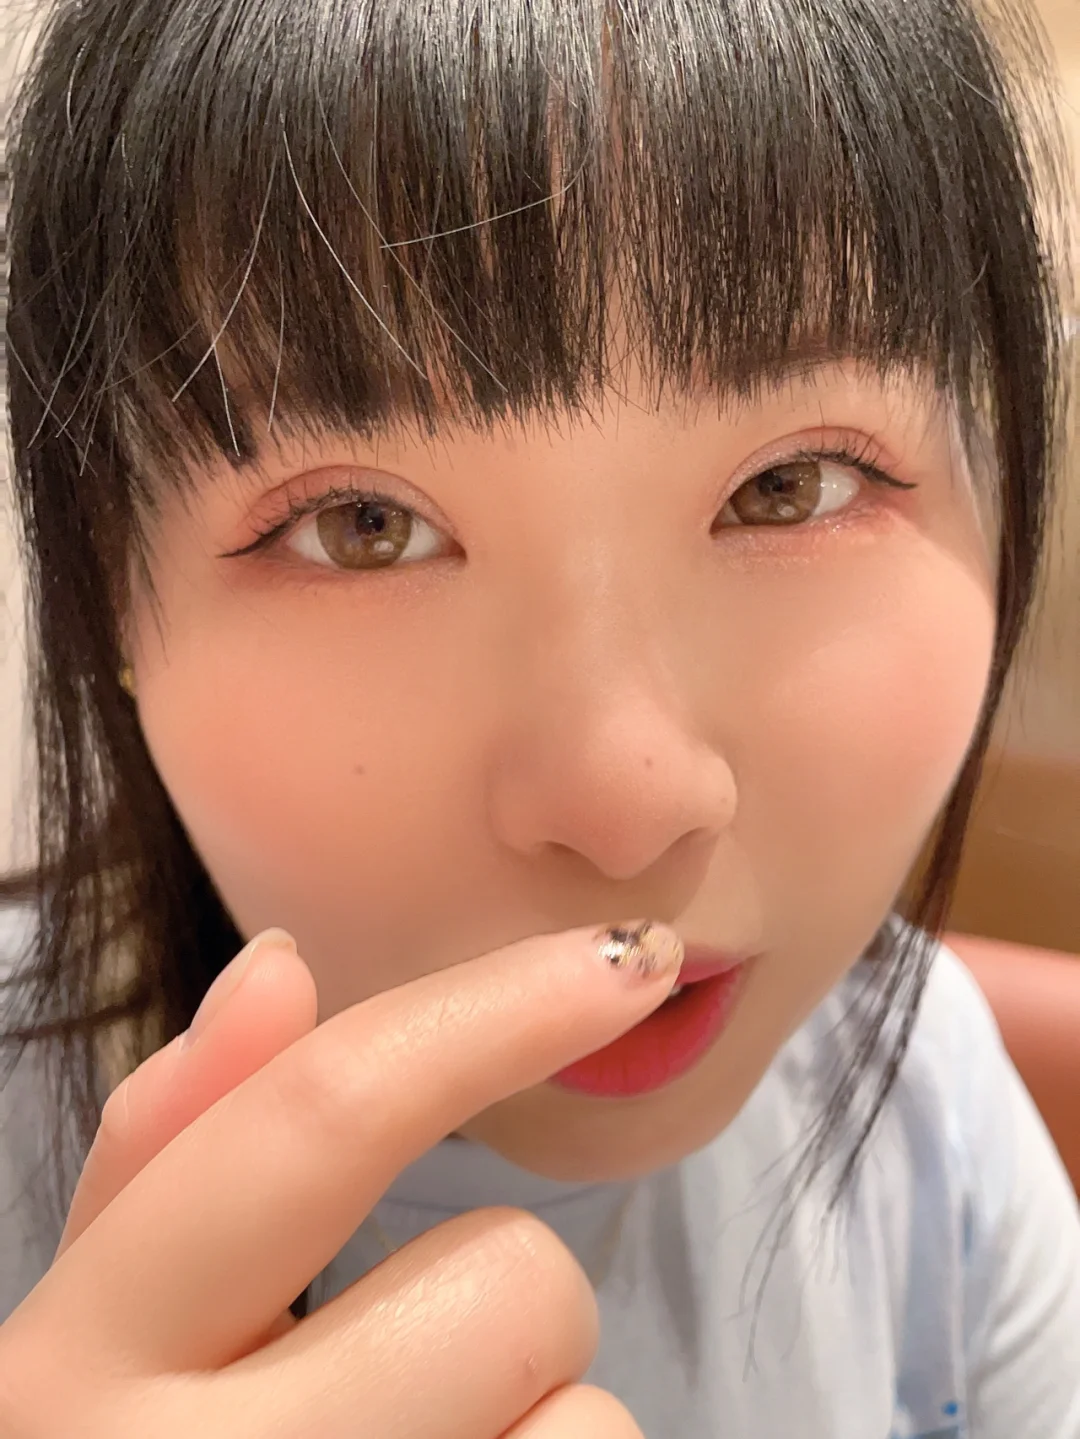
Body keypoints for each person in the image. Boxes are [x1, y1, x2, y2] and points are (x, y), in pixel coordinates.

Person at [0, 0, 1077, 1434]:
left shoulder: (931, 1103)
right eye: (364, 526)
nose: (627, 806)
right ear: (108, 598)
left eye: (790, 486)